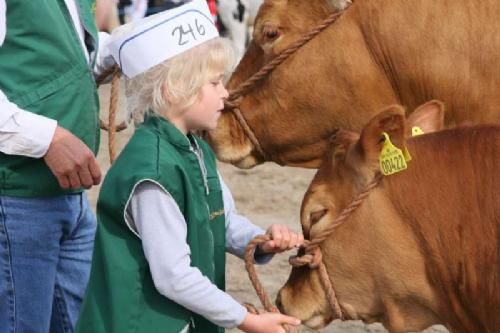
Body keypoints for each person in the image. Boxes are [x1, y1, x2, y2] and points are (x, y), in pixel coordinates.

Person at [76, 1, 304, 332]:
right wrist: (247, 320)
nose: (225, 94)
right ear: (174, 89)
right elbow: (173, 276)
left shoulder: (194, 148)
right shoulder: (151, 171)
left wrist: (259, 241)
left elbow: (222, 223)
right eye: (214, 83)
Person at [0, 1, 114, 332]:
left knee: (83, 324)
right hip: (16, 197)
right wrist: (48, 138)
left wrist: (130, 45)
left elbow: (68, 58)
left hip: (69, 197)